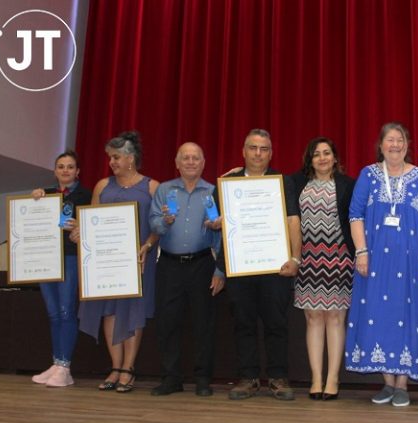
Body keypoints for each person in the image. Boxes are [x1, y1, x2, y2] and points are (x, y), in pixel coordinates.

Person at [344, 122, 418, 407]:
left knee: (407, 314)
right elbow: (355, 214)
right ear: (381, 145)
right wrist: (361, 251)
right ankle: (387, 382)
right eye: (389, 140)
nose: (395, 145)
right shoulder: (368, 175)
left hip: (411, 262)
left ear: (407, 144)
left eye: (400, 140)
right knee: (378, 312)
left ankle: (402, 384)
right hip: (374, 261)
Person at [211, 128, 302, 401]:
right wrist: (215, 223)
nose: (258, 154)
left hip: (276, 267)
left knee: (276, 323)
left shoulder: (282, 181)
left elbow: (292, 221)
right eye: (253, 148)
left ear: (271, 153)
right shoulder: (227, 183)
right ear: (243, 151)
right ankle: (248, 378)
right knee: (243, 323)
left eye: (264, 149)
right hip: (241, 267)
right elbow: (217, 223)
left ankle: (278, 377)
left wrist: (295, 258)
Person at [75, 131, 160, 393]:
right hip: (106, 262)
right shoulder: (102, 186)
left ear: (131, 159)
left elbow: (158, 226)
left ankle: (128, 368)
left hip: (138, 261)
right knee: (109, 311)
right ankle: (115, 366)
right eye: (110, 157)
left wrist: (146, 245)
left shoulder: (152, 187)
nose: (112, 162)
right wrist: (80, 232)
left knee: (133, 313)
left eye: (116, 157)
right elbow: (91, 221)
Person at [148, 143, 224, 397]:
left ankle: (203, 379)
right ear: (177, 163)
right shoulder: (164, 190)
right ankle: (171, 378)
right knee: (168, 323)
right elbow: (154, 224)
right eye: (186, 158)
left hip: (203, 264)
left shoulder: (213, 192)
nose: (191, 162)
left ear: (203, 163)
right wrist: (165, 221)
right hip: (169, 265)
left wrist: (219, 272)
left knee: (204, 324)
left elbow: (222, 236)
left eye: (196, 158)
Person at [289, 137, 355, 401]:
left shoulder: (348, 185)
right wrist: (236, 174)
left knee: (336, 319)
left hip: (339, 260)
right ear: (310, 159)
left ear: (335, 158)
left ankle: (333, 379)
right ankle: (316, 378)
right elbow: (267, 186)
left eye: (327, 153)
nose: (322, 158)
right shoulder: (296, 182)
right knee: (314, 318)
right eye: (316, 154)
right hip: (308, 261)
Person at [29, 150, 92, 387]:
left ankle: (65, 367)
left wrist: (81, 226)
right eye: (61, 166)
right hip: (46, 259)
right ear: (55, 171)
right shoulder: (45, 195)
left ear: (77, 171)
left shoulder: (86, 195)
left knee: (66, 311)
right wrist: (34, 200)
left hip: (70, 258)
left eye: (70, 167)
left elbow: (94, 226)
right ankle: (56, 362)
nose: (65, 170)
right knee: (53, 313)